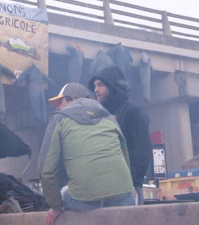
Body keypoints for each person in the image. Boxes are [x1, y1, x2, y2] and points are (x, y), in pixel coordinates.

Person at [38, 83, 135, 224]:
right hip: (123, 200)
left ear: (71, 98)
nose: (59, 107)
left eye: (61, 101)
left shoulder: (59, 119)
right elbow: (125, 159)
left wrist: (56, 207)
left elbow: (45, 171)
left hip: (84, 202)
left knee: (65, 190)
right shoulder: (109, 118)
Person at [88, 66, 152, 205]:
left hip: (127, 188)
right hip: (104, 188)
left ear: (112, 85)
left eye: (100, 85)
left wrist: (134, 183)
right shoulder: (101, 114)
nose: (96, 90)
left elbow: (142, 150)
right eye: (94, 86)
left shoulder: (132, 111)